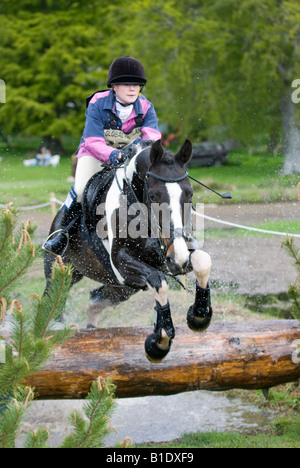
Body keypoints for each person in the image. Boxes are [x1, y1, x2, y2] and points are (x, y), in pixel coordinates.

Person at [43, 56, 161, 256]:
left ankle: (164, 235)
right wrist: (114, 154)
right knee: (80, 190)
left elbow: (152, 138)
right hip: (94, 155)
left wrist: (144, 156)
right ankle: (62, 234)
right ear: (114, 86)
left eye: (137, 84)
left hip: (128, 158)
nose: (133, 89)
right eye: (127, 84)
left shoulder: (146, 106)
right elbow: (92, 140)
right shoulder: (98, 103)